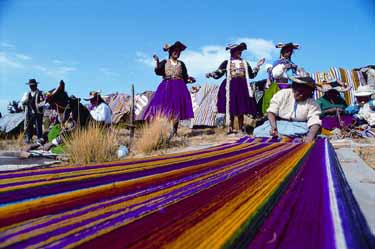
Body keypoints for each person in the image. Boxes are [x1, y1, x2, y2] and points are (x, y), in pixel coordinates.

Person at [206, 42, 265, 134]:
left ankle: (241, 128)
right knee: (231, 107)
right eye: (238, 50)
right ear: (232, 51)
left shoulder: (245, 63)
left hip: (242, 87)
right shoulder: (227, 63)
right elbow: (219, 72)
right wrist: (212, 74)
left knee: (241, 106)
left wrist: (257, 66)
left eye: (241, 50)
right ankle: (230, 128)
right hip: (230, 86)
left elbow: (251, 75)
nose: (240, 52)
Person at [142, 41, 196, 135]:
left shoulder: (181, 64)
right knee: (165, 107)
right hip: (167, 86)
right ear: (170, 52)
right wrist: (157, 61)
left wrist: (190, 80)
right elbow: (158, 71)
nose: (177, 53)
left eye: (178, 51)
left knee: (177, 109)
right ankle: (163, 129)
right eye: (175, 51)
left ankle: (174, 131)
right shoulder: (165, 62)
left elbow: (185, 77)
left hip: (179, 87)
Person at [253, 76, 321, 142]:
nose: (302, 95)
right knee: (258, 131)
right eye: (300, 92)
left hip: (299, 126)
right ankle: (286, 137)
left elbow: (314, 120)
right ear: (294, 88)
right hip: (278, 124)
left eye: (306, 94)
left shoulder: (312, 103)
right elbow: (271, 112)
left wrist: (310, 137)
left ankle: (286, 137)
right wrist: (274, 128)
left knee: (309, 131)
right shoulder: (283, 94)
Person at [262, 42, 300, 113]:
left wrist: (298, 71)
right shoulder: (277, 62)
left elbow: (295, 75)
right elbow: (275, 75)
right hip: (278, 86)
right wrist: (284, 66)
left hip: (289, 86)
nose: (289, 53)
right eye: (287, 51)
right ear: (282, 52)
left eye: (290, 52)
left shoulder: (292, 64)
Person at [21, 79, 45, 144]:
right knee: (28, 126)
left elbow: (44, 102)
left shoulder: (40, 93)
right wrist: (26, 101)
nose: (31, 87)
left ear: (36, 85)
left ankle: (39, 139)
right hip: (29, 113)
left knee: (38, 126)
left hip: (38, 113)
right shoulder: (27, 94)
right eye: (30, 85)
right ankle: (28, 138)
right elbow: (22, 102)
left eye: (33, 85)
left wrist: (38, 106)